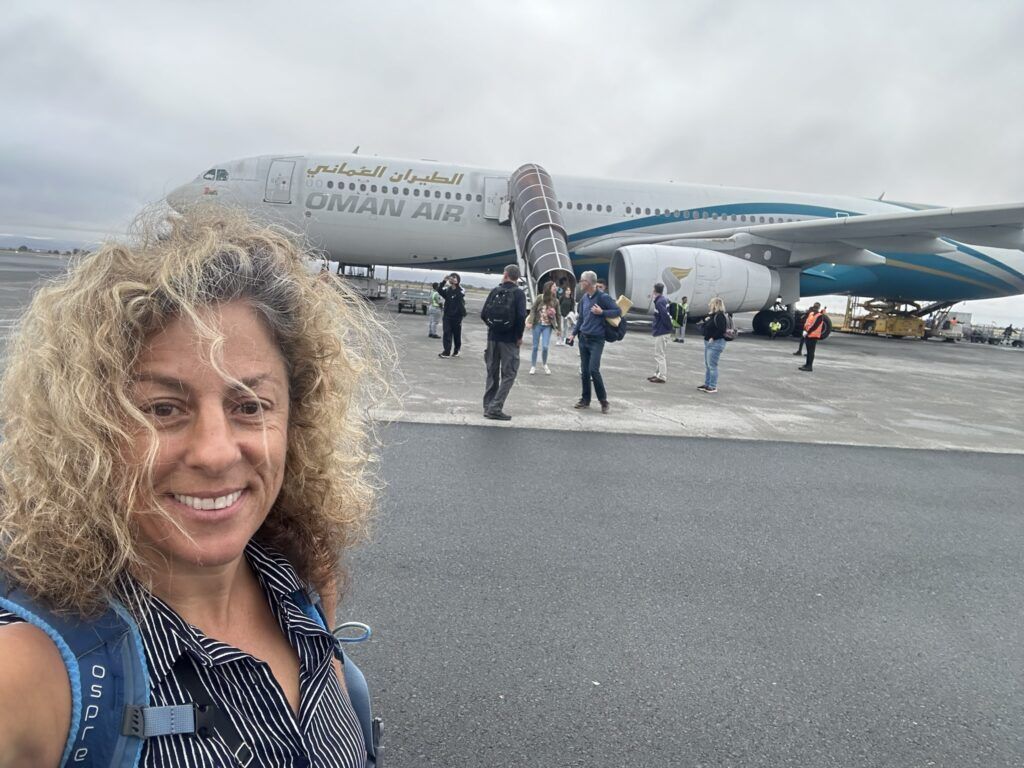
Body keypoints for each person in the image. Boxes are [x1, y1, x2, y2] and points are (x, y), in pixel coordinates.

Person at [0, 208, 388, 767]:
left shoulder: (300, 584)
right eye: (162, 408)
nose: (214, 451)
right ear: (87, 427)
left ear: (295, 422)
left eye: (249, 406)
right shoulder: (39, 673)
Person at [566, 270, 621, 414]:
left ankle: (603, 401)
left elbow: (618, 311)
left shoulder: (603, 297)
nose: (580, 283)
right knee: (584, 371)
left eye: (581, 281)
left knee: (593, 370)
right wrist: (573, 334)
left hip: (597, 340)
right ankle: (585, 399)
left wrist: (602, 312)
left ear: (588, 283)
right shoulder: (584, 298)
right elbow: (582, 319)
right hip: (583, 338)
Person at [481, 264, 528, 420]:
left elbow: (483, 314)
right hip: (509, 341)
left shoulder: (495, 291)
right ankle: (495, 407)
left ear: (506, 274)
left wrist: (493, 327)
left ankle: (488, 406)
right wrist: (518, 336)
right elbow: (521, 317)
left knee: (492, 373)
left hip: (493, 339)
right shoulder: (519, 294)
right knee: (509, 374)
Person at [528, 280, 562, 375]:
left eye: (556, 286)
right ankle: (533, 366)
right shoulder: (540, 297)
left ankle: (544, 364)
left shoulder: (556, 301)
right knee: (535, 347)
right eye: (554, 286)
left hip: (548, 326)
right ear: (548, 288)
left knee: (545, 347)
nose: (556, 288)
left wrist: (559, 329)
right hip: (537, 324)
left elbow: (558, 315)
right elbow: (533, 309)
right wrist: (530, 321)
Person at [698, 296, 729, 393]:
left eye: (711, 303)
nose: (709, 305)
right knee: (708, 365)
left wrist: (713, 337)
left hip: (715, 342)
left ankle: (713, 385)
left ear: (715, 305)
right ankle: (707, 384)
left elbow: (722, 330)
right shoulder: (713, 315)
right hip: (709, 342)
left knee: (712, 365)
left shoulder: (720, 316)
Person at [437, 272, 467, 358]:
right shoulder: (448, 290)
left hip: (457, 316)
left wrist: (455, 285)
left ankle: (457, 350)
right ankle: (446, 352)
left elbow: (460, 295)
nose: (452, 279)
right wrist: (444, 281)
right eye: (451, 277)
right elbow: (439, 290)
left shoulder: (461, 289)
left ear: (458, 280)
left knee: (456, 334)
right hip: (447, 315)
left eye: (454, 277)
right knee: (447, 333)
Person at [649, 282, 672, 383]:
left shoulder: (659, 302)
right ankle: (657, 373)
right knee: (660, 353)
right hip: (663, 331)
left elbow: (665, 316)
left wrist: (667, 328)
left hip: (662, 331)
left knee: (659, 354)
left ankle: (662, 376)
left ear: (654, 290)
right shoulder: (664, 299)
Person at [799, 303, 826, 372]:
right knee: (808, 351)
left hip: (813, 335)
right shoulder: (811, 314)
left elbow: (815, 326)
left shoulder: (819, 316)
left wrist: (807, 331)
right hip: (808, 335)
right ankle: (807, 364)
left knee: (811, 352)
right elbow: (807, 323)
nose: (815, 308)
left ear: (818, 308)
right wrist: (805, 330)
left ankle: (809, 366)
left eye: (816, 307)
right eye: (814, 307)